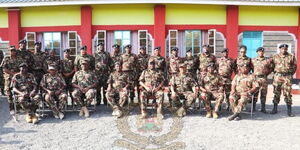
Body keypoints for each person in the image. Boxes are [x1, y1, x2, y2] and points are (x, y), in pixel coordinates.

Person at [271, 44, 297, 117]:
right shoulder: (275, 56)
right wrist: (277, 72)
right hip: (278, 77)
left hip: (287, 77)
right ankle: (275, 108)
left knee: (288, 93)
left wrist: (290, 73)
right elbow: (272, 66)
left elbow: (294, 66)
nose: (284, 50)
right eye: (282, 49)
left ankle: (289, 111)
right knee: (276, 92)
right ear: (280, 49)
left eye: (285, 49)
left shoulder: (291, 56)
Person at [1, 46, 25, 110]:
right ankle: (11, 106)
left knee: (18, 89)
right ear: (9, 51)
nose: (13, 52)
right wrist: (12, 74)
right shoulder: (6, 58)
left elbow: (23, 67)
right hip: (9, 76)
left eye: (14, 50)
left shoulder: (19, 58)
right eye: (11, 50)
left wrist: (17, 73)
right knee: (8, 91)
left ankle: (18, 105)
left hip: (18, 76)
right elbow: (4, 68)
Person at [252, 47, 272, 113]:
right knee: (255, 93)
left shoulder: (267, 60)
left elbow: (271, 68)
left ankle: (263, 108)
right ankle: (253, 107)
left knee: (263, 93)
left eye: (262, 51)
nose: (261, 52)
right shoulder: (253, 60)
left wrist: (266, 74)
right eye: (260, 51)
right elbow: (251, 68)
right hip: (256, 79)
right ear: (257, 52)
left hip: (264, 79)